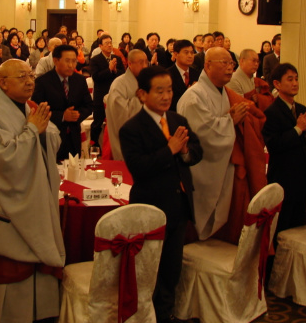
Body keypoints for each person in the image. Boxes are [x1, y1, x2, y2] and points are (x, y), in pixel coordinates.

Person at [0, 59, 64, 322]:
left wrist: (41, 131)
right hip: (3, 199)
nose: (30, 80)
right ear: (3, 83)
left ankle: (43, 313)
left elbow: (53, 138)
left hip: (34, 197)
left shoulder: (30, 107)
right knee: (10, 266)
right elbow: (4, 161)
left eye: (31, 75)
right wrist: (32, 130)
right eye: (22, 76)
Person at [119, 65, 202, 323]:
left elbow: (197, 151)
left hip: (178, 205)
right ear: (142, 94)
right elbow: (139, 169)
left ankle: (166, 314)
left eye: (170, 90)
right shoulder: (131, 128)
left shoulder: (178, 120)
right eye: (159, 91)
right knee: (148, 269)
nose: (167, 96)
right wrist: (170, 149)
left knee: (171, 266)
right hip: (150, 207)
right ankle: (147, 317)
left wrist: (186, 151)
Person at [178, 47, 266, 243]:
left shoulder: (226, 93)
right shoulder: (194, 97)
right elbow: (202, 135)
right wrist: (230, 121)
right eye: (224, 63)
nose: (229, 68)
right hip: (204, 170)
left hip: (226, 167)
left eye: (231, 64)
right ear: (207, 65)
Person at [262, 63, 306, 235]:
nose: (295, 83)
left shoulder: (301, 109)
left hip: (301, 174)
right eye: (290, 79)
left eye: (296, 79)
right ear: (277, 84)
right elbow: (274, 145)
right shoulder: (272, 111)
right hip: (282, 175)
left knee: (298, 223)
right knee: (283, 224)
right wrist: (298, 129)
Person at [33, 44, 93, 160]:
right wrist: (62, 116)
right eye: (67, 61)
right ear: (56, 61)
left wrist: (77, 114)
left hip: (73, 136)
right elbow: (37, 111)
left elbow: (89, 105)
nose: (71, 65)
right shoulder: (43, 82)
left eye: (74, 61)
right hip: (50, 137)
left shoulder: (79, 80)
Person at [105, 49, 148, 161]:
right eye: (140, 62)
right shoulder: (119, 84)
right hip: (128, 141)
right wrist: (142, 99)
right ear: (130, 64)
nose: (144, 66)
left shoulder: (148, 82)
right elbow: (120, 113)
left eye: (146, 62)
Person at [89, 33, 125, 146]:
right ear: (100, 46)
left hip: (115, 95)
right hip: (100, 95)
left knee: (116, 122)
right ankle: (94, 144)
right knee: (98, 122)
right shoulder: (95, 60)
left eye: (110, 43)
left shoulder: (117, 58)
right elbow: (95, 77)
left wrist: (114, 71)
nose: (109, 45)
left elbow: (123, 75)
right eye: (106, 43)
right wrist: (109, 70)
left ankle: (115, 145)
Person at [169, 39, 199, 111]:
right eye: (186, 53)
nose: (190, 56)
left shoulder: (197, 74)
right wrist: (188, 93)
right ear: (176, 54)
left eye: (192, 53)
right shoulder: (167, 75)